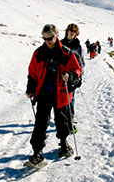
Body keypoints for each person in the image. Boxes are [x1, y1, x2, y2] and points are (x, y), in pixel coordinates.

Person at [26, 24, 82, 164]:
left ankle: (64, 144)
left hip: (61, 93)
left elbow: (76, 70)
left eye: (50, 38)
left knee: (62, 121)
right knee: (40, 123)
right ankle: (37, 152)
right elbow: (32, 72)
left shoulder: (67, 53)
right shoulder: (38, 53)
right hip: (44, 92)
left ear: (56, 36)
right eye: (44, 38)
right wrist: (30, 88)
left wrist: (70, 75)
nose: (47, 41)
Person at [61, 23, 85, 126]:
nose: (72, 33)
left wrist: (79, 76)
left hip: (72, 74)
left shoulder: (77, 46)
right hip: (61, 73)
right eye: (71, 30)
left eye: (74, 31)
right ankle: (62, 116)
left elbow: (80, 61)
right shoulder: (60, 43)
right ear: (67, 31)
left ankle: (70, 116)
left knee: (71, 97)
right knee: (61, 96)